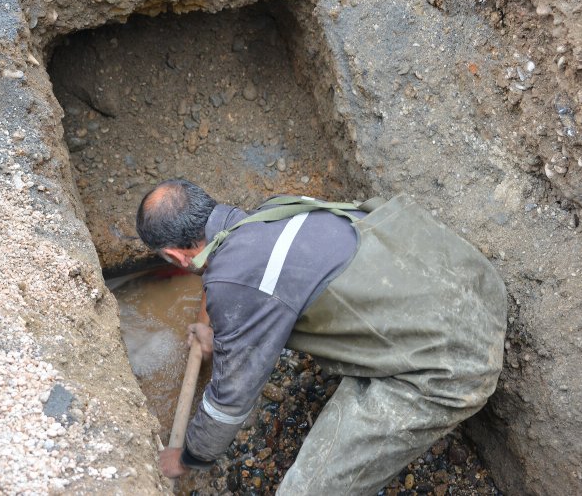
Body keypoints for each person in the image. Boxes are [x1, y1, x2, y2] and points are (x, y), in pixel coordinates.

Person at [136, 179, 506, 495]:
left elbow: (229, 401)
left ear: (175, 256)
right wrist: (220, 334)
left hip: (452, 365)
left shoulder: (235, 282)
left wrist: (189, 457)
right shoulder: (279, 210)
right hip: (475, 289)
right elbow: (262, 294)